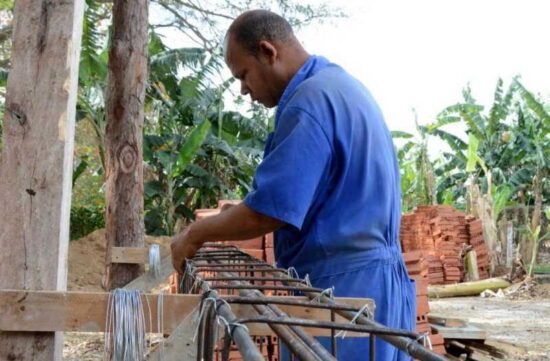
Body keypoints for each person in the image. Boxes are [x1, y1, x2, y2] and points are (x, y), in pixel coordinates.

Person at [171, 9, 415, 361]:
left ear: (269, 52)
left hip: (341, 289)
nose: (243, 90)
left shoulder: (308, 103)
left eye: (243, 75)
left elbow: (270, 212)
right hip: (377, 284)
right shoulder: (340, 86)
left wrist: (195, 233)